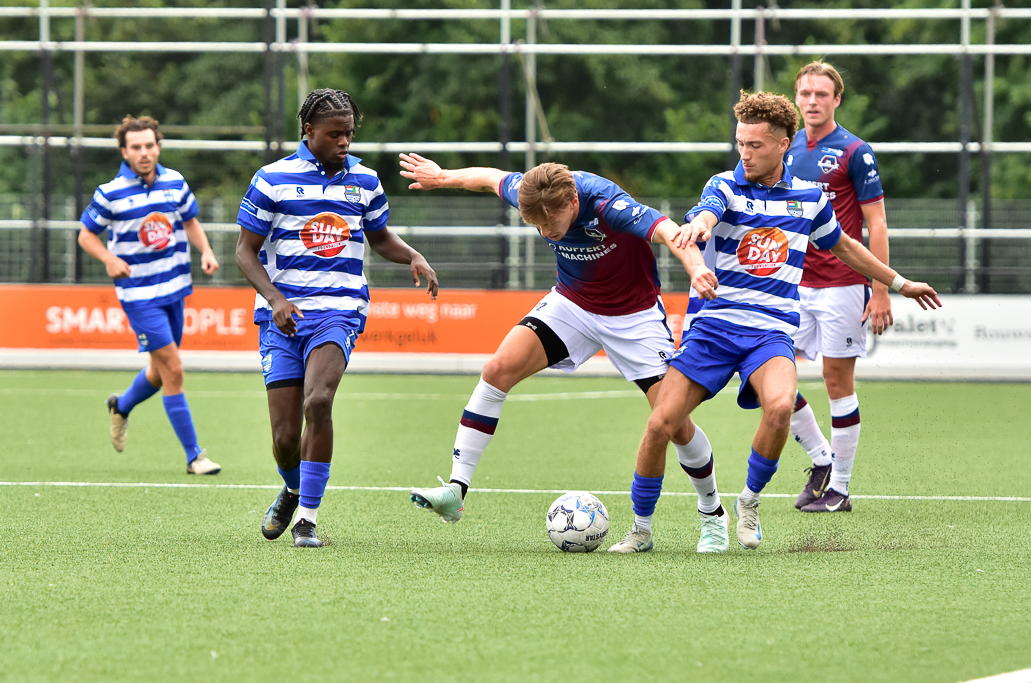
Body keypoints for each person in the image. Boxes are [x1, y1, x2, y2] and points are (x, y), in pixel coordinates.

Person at [636, 90, 940, 550]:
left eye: (755, 145)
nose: (745, 153)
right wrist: (698, 226)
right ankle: (641, 531)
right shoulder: (724, 185)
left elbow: (846, 246)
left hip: (772, 332)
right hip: (714, 330)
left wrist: (898, 284)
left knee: (781, 406)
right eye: (740, 143)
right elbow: (706, 213)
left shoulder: (809, 198)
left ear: (783, 145)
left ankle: (749, 504)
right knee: (661, 425)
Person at [399, 154, 730, 554]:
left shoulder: (609, 205)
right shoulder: (532, 191)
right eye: (536, 225)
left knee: (674, 423)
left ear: (573, 202)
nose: (545, 231)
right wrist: (442, 177)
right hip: (572, 305)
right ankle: (456, 489)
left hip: (634, 317)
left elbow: (669, 231)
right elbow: (489, 177)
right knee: (497, 369)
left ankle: (712, 515)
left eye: (549, 224)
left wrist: (695, 268)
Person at [235, 89, 438, 548]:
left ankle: (306, 521)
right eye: (335, 133)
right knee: (285, 438)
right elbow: (245, 253)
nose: (345, 141)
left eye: (349, 133)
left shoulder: (364, 181)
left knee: (319, 402)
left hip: (339, 311)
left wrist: (412, 255)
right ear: (307, 130)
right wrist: (275, 299)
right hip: (281, 317)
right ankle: (292, 487)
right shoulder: (271, 179)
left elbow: (379, 236)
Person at [78, 115, 222, 475]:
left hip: (175, 289)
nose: (144, 153)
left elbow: (190, 221)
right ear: (124, 152)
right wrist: (109, 258)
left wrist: (205, 251)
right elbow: (85, 235)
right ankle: (195, 456)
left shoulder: (175, 182)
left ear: (158, 147)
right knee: (173, 368)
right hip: (139, 295)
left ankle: (121, 405)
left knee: (159, 373)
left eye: (149, 145)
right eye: (136, 147)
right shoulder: (109, 193)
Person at [785, 60, 892, 513]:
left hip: (842, 284)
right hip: (789, 282)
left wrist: (882, 289)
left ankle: (840, 489)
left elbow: (877, 221)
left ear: (836, 99)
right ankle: (821, 459)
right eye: (805, 93)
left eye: (821, 94)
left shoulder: (854, 151)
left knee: (836, 381)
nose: (812, 101)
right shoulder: (782, 148)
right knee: (767, 376)